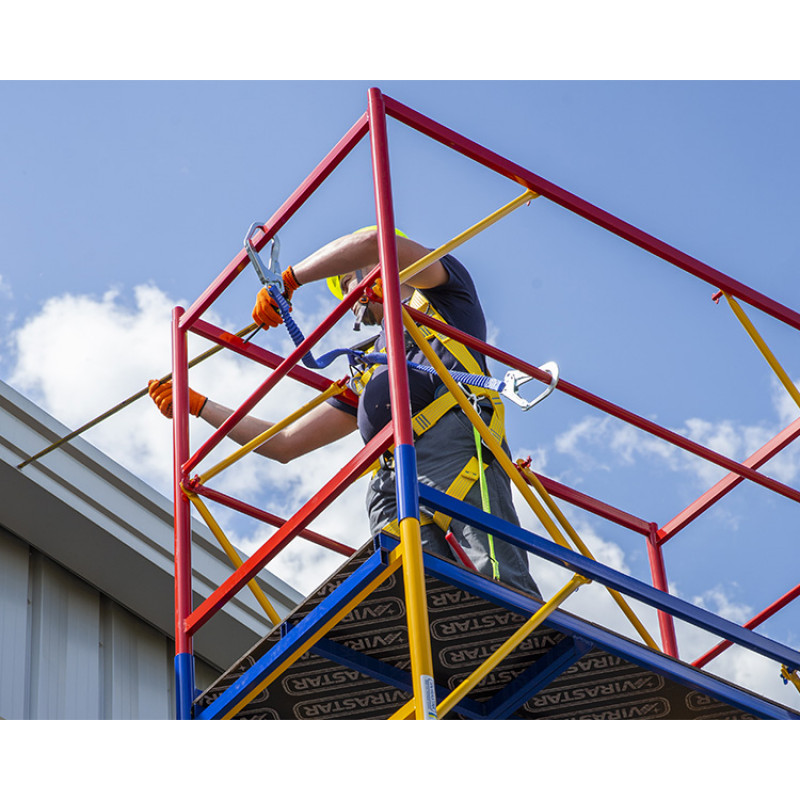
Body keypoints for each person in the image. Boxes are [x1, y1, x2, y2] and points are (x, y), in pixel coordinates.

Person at [149, 227, 540, 596]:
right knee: (424, 598)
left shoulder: (446, 297)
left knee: (496, 581)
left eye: (350, 278)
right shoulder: (371, 366)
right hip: (393, 481)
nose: (350, 294)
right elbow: (284, 444)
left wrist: (289, 280)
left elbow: (373, 241)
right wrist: (200, 406)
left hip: (455, 452)